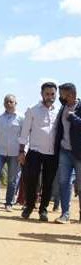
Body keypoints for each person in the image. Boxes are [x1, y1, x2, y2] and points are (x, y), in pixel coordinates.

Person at [18, 82, 58, 221]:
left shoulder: (58, 111)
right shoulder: (32, 110)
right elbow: (24, 132)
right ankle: (29, 207)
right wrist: (22, 151)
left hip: (52, 153)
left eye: (52, 94)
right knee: (31, 180)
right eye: (47, 94)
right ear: (42, 94)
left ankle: (43, 210)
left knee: (48, 182)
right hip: (35, 151)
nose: (50, 97)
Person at [0, 94, 23, 211]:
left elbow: (24, 137)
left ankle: (9, 203)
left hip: (15, 153)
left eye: (11, 102)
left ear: (16, 103)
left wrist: (23, 152)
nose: (8, 104)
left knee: (12, 179)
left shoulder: (21, 119)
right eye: (6, 102)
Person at [54, 83, 81, 224]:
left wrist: (74, 118)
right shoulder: (63, 107)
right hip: (64, 151)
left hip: (79, 153)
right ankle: (65, 214)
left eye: (63, 94)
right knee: (64, 182)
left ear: (71, 94)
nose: (60, 97)